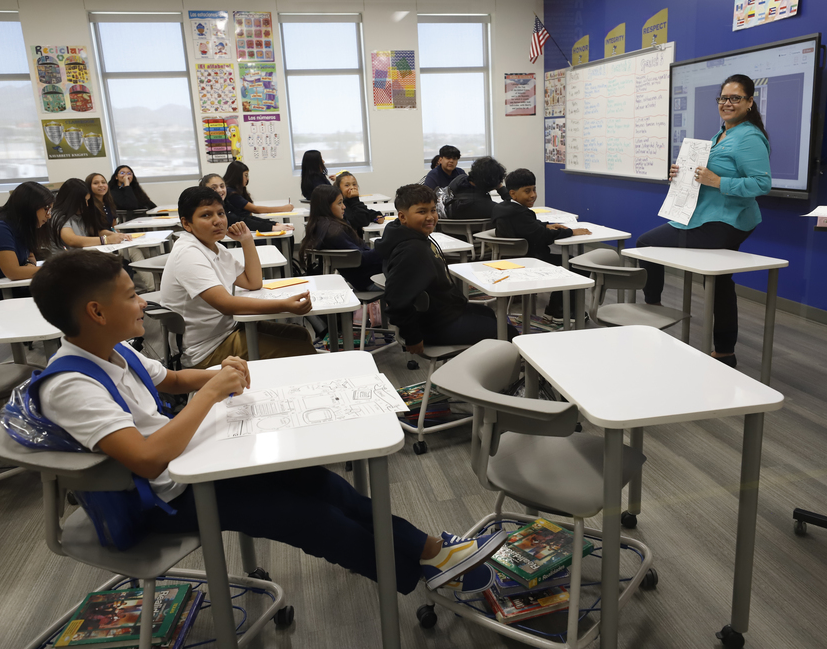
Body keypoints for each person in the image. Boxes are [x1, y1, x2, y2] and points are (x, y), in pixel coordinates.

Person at [30, 250, 508, 597]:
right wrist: (211, 393)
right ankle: (425, 572)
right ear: (96, 312)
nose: (143, 305)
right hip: (160, 501)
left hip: (190, 465)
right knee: (310, 518)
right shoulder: (70, 385)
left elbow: (172, 379)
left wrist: (217, 374)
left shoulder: (114, 350)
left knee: (321, 484)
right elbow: (147, 458)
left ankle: (430, 552)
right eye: (132, 296)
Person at [636, 74, 772, 368]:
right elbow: (706, 175)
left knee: (647, 245)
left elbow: (762, 184)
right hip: (704, 217)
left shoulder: (749, 137)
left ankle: (654, 312)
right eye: (723, 98)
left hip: (728, 221)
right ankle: (725, 351)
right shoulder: (721, 134)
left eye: (735, 98)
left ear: (750, 102)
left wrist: (717, 181)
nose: (727, 103)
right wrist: (682, 174)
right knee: (719, 281)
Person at [159, 186, 317, 368]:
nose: (218, 221)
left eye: (220, 213)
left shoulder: (215, 247)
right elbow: (226, 305)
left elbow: (253, 282)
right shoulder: (188, 253)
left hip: (227, 331)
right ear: (187, 224)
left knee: (300, 335)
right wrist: (284, 305)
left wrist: (246, 240)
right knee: (301, 350)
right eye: (206, 215)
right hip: (205, 350)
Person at [378, 184, 517, 354]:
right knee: (508, 332)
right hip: (434, 324)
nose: (430, 217)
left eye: (433, 210)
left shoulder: (407, 236)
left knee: (488, 313)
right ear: (402, 217)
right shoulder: (412, 251)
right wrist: (412, 337)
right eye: (422, 212)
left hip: (440, 312)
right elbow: (396, 301)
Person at [492, 168, 591, 320]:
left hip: (512, 261)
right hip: (531, 263)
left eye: (534, 189)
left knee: (569, 261)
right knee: (576, 265)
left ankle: (554, 310)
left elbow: (529, 227)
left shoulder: (503, 208)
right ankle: (560, 312)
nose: (533, 195)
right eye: (527, 191)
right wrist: (571, 231)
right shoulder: (521, 213)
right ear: (513, 194)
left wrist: (545, 225)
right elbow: (543, 236)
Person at [299, 185, 382, 292]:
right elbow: (359, 258)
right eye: (339, 203)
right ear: (326, 206)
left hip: (366, 277)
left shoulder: (322, 225)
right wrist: (385, 248)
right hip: (370, 280)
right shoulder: (333, 232)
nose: (344, 207)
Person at [50, 178, 130, 249]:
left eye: (87, 201)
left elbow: (95, 231)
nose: (87, 205)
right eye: (84, 201)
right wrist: (107, 240)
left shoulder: (79, 214)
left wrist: (114, 235)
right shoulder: (58, 216)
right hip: (65, 258)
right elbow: (71, 240)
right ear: (72, 201)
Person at [201, 173, 290, 234]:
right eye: (214, 188)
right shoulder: (209, 209)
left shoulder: (225, 203)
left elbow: (244, 217)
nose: (220, 190)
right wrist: (272, 227)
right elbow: (241, 221)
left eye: (222, 186)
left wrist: (274, 224)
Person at [444, 156, 506, 220]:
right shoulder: (491, 208)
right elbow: (511, 208)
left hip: (446, 225)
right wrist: (501, 189)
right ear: (493, 185)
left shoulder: (458, 180)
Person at [222, 161, 294, 215]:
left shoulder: (236, 190)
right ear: (237, 176)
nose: (247, 179)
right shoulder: (231, 193)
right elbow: (255, 209)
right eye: (245, 175)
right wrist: (283, 208)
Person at [334, 170, 383, 237]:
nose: (352, 187)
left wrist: (376, 216)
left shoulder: (351, 201)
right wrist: (355, 199)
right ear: (338, 188)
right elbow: (362, 221)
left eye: (354, 184)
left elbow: (365, 212)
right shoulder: (339, 205)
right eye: (347, 185)